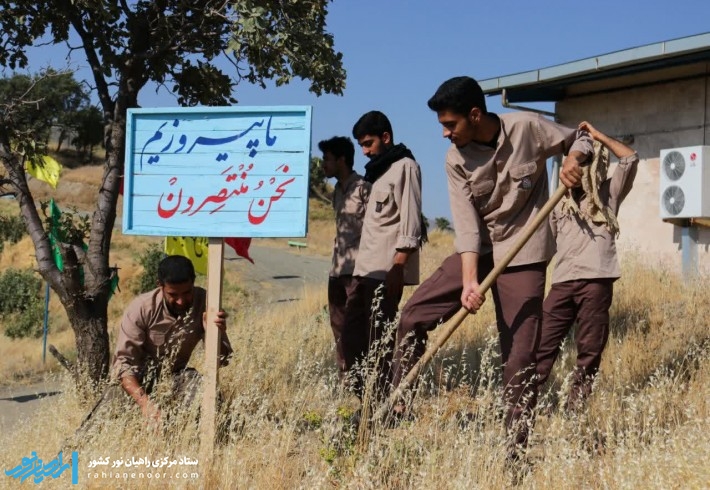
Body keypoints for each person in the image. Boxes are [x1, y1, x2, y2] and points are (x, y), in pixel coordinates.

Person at [390, 76, 592, 454]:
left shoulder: (528, 127)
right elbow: (466, 227)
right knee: (413, 316)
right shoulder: (455, 159)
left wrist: (572, 159)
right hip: (479, 250)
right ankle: (397, 405)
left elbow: (581, 138)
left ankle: (514, 447)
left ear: (475, 114)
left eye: (450, 125)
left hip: (524, 251)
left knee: (519, 353)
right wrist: (468, 282)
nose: (445, 134)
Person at [536, 121, 639, 412]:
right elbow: (546, 248)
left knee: (589, 350)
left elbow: (630, 158)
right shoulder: (558, 203)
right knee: (543, 344)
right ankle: (528, 402)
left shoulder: (609, 194)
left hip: (596, 282)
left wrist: (597, 137)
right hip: (562, 282)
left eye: (585, 164)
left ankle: (575, 408)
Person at [342, 110, 423, 404]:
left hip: (386, 273)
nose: (365, 151)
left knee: (379, 343)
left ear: (385, 137)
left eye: (369, 143)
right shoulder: (377, 172)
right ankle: (365, 402)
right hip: (365, 271)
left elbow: (411, 223)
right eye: (361, 145)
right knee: (352, 340)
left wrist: (398, 269)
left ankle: (380, 407)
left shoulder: (405, 167)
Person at [111, 255, 233, 425]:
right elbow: (123, 365)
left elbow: (223, 360)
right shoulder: (141, 308)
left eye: (187, 292)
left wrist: (214, 333)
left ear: (193, 282)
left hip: (175, 377)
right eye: (173, 294)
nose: (181, 301)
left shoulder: (206, 303)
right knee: (108, 417)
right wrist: (145, 403)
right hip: (138, 381)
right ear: (159, 286)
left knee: (208, 394)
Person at [318, 136, 371, 381]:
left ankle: (364, 380)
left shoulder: (363, 188)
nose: (323, 164)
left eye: (327, 159)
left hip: (357, 271)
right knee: (338, 328)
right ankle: (347, 380)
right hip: (337, 270)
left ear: (341, 159)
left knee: (355, 330)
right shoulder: (337, 192)